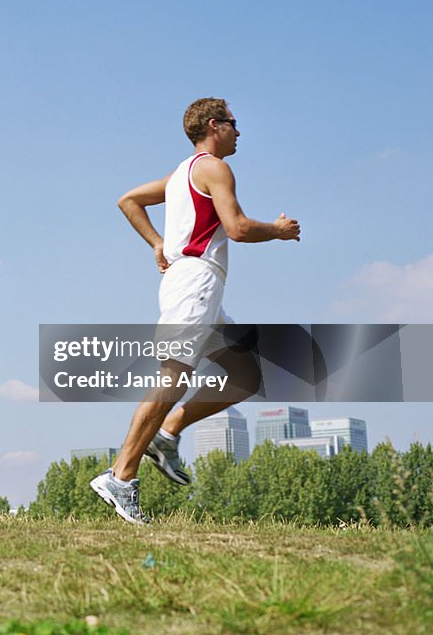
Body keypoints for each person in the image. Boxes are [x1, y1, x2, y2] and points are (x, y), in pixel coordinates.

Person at [90, 99, 300, 524]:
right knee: (172, 379)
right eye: (233, 124)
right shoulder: (213, 168)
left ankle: (167, 434)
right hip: (196, 283)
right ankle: (120, 476)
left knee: (244, 376)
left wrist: (156, 244)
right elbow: (238, 228)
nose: (239, 132)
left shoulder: (180, 175)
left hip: (199, 286)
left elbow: (129, 200)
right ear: (213, 125)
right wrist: (278, 231)